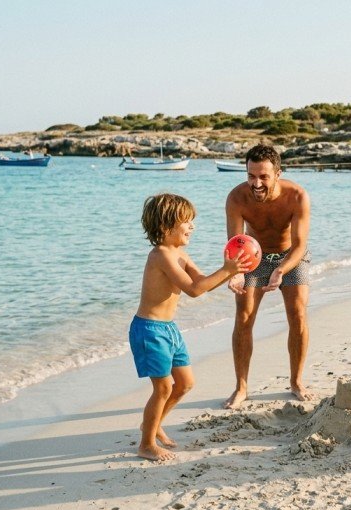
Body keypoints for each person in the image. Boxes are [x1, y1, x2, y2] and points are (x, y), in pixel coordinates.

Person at [130, 193, 252, 461]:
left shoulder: (180, 254)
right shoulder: (161, 255)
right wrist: (227, 270)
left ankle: (151, 424)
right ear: (166, 227)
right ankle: (146, 444)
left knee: (184, 384)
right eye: (187, 221)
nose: (192, 227)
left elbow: (202, 280)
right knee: (162, 388)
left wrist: (230, 275)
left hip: (168, 329)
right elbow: (194, 291)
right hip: (149, 330)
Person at [225, 144, 313, 409]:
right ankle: (241, 386)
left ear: (278, 173)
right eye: (251, 176)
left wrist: (281, 270)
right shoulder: (237, 198)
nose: (257, 183)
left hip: (290, 255)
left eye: (263, 176)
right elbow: (235, 243)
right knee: (243, 316)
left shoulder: (297, 196)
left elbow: (299, 245)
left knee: (297, 313)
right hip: (253, 255)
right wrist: (234, 273)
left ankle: (296, 381)